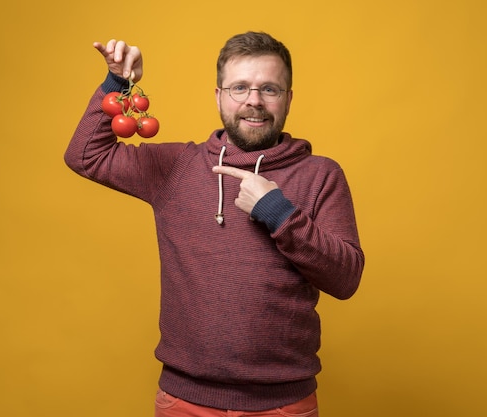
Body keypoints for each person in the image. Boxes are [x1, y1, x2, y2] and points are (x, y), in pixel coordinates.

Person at [65, 31, 364, 417]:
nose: (254, 101)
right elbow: (85, 156)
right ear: (219, 96)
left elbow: (347, 278)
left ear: (288, 98)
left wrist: (279, 212)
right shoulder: (176, 167)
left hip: (283, 405)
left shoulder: (321, 175)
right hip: (185, 402)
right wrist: (117, 83)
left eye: (269, 89)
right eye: (240, 87)